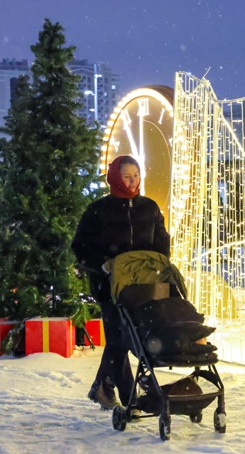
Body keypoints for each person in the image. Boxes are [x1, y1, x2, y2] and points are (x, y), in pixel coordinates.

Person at [71, 155, 171, 410]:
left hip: (143, 287)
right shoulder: (98, 210)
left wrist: (158, 265)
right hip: (109, 287)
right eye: (126, 176)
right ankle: (129, 398)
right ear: (115, 177)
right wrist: (102, 264)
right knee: (120, 338)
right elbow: (81, 246)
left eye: (136, 175)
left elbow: (161, 243)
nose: (132, 181)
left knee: (129, 337)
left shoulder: (148, 208)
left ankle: (102, 386)